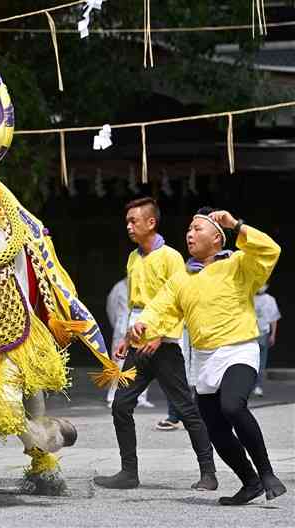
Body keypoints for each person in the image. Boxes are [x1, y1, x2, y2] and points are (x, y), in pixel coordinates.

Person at [132, 208, 287, 505]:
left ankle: (267, 474)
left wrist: (237, 224)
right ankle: (250, 482)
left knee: (232, 406)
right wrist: (143, 325)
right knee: (214, 427)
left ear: (217, 238)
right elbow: (160, 306)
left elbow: (270, 249)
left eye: (197, 228)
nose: (190, 233)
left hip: (239, 348)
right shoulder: (182, 278)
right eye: (188, 229)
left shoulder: (239, 263)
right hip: (203, 358)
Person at [95, 197, 216, 491]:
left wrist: (161, 335)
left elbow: (179, 300)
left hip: (165, 343)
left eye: (133, 221)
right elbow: (133, 305)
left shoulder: (171, 257)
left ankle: (208, 473)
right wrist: (125, 338)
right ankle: (129, 472)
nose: (128, 226)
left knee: (185, 408)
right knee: (121, 406)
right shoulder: (133, 258)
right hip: (138, 341)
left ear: (151, 222)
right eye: (127, 221)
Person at [105, 278, 152, 409]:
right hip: (122, 329)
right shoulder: (120, 286)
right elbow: (111, 307)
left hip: (141, 328)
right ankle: (113, 396)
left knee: (143, 361)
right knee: (118, 362)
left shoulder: (147, 283)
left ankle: (140, 397)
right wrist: (118, 324)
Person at [253, 285, 280, 397]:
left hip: (263, 333)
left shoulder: (270, 300)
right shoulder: (250, 297)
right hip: (250, 334)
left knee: (261, 362)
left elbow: (273, 318)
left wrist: (273, 335)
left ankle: (258, 386)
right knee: (250, 361)